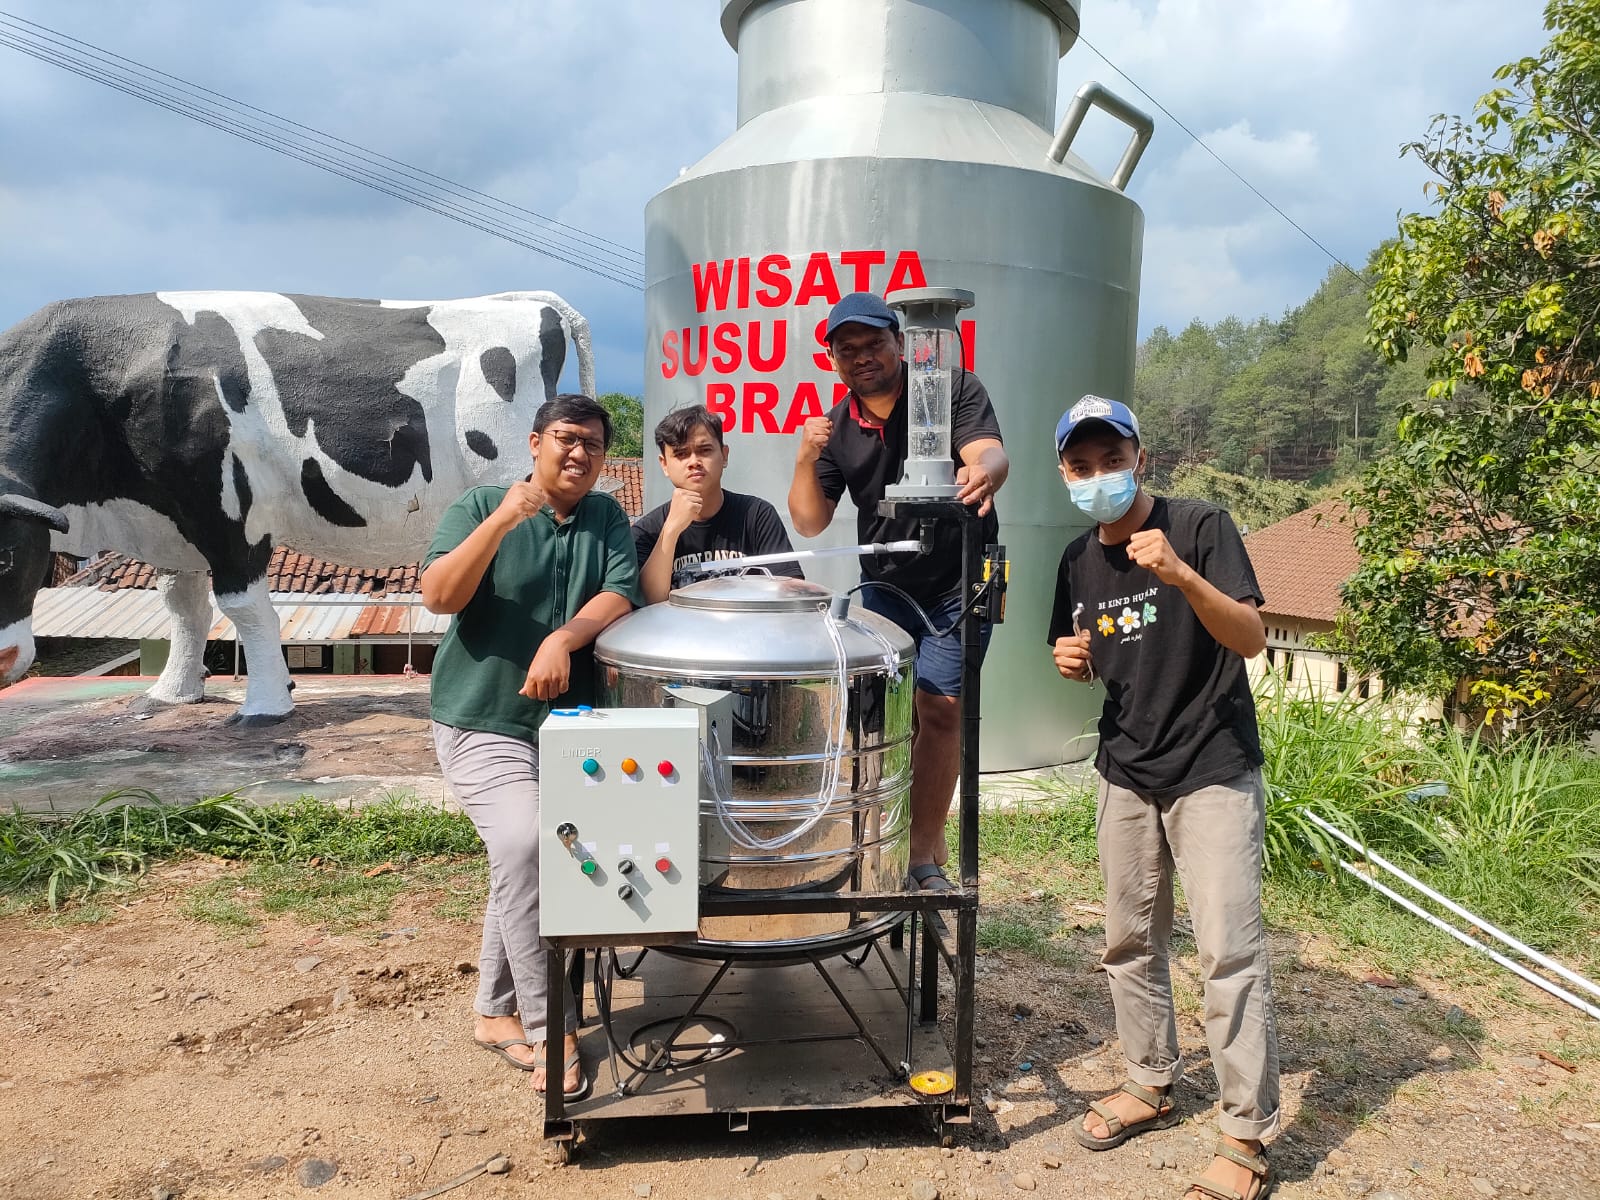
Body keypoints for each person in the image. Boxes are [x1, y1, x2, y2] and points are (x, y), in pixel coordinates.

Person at [1046, 395, 1278, 1200]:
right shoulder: (1077, 558)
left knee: (1229, 955)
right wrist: (1066, 658)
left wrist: (1178, 573)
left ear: (1140, 458)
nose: (1099, 476)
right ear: (1064, 473)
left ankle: (1245, 1138)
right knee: (1129, 942)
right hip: (1125, 770)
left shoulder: (1202, 526)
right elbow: (1069, 642)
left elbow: (1251, 638)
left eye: (1113, 460)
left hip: (1212, 766)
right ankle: (1148, 1081)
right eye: (1082, 466)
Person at [420, 393, 642, 1103]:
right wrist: (503, 520)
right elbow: (439, 595)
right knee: (525, 846)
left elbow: (620, 595)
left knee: (528, 856)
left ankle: (492, 1012)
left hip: (573, 726)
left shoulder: (606, 515)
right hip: (483, 719)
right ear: (536, 441)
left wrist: (563, 637)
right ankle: (551, 1026)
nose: (579, 455)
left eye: (594, 446)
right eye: (567, 440)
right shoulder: (481, 504)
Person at [788, 291, 1008, 891]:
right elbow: (809, 520)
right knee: (881, 716)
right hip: (886, 586)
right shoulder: (835, 426)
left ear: (901, 342)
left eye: (874, 342)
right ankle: (876, 831)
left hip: (958, 580)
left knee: (940, 709)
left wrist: (982, 470)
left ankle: (918, 855)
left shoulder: (948, 387)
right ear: (833, 358)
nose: (861, 356)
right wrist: (807, 457)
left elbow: (988, 451)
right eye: (846, 348)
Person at [633, 403, 802, 602]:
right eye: (681, 454)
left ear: (724, 455)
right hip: (678, 633)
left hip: (748, 630)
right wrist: (670, 531)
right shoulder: (647, 530)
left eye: (704, 450)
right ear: (664, 465)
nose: (694, 461)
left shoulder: (757, 515)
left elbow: (790, 592)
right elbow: (648, 603)